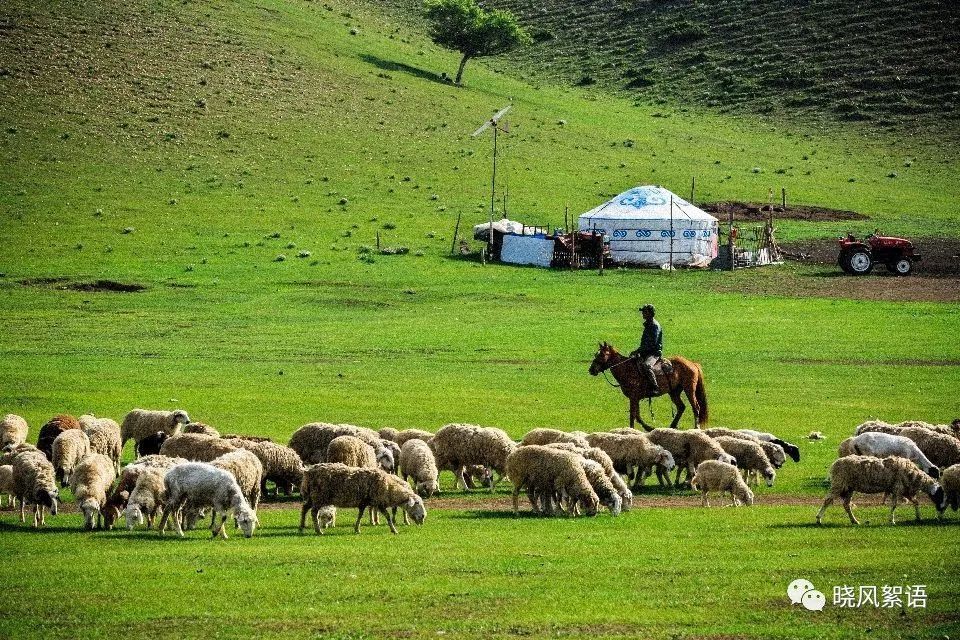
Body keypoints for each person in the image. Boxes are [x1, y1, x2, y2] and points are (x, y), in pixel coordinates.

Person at [632, 304, 662, 395]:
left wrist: (639, 351)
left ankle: (655, 387)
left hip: (654, 353)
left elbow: (652, 344)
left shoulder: (654, 326)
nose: (643, 314)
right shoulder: (648, 324)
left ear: (650, 313)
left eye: (645, 312)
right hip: (646, 352)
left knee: (646, 366)